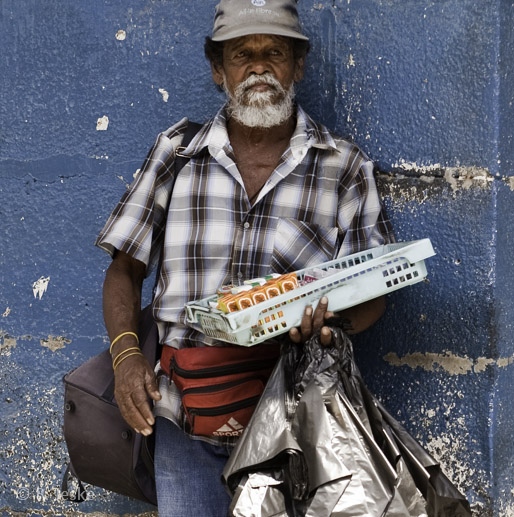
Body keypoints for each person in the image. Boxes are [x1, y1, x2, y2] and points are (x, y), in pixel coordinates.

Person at [95, 0, 394, 514]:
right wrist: (125, 358)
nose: (259, 68)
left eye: (274, 52)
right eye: (242, 55)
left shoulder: (343, 166)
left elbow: (376, 294)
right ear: (218, 69)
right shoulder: (177, 152)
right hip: (184, 418)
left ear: (298, 65)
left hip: (294, 425)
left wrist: (333, 319)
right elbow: (125, 268)